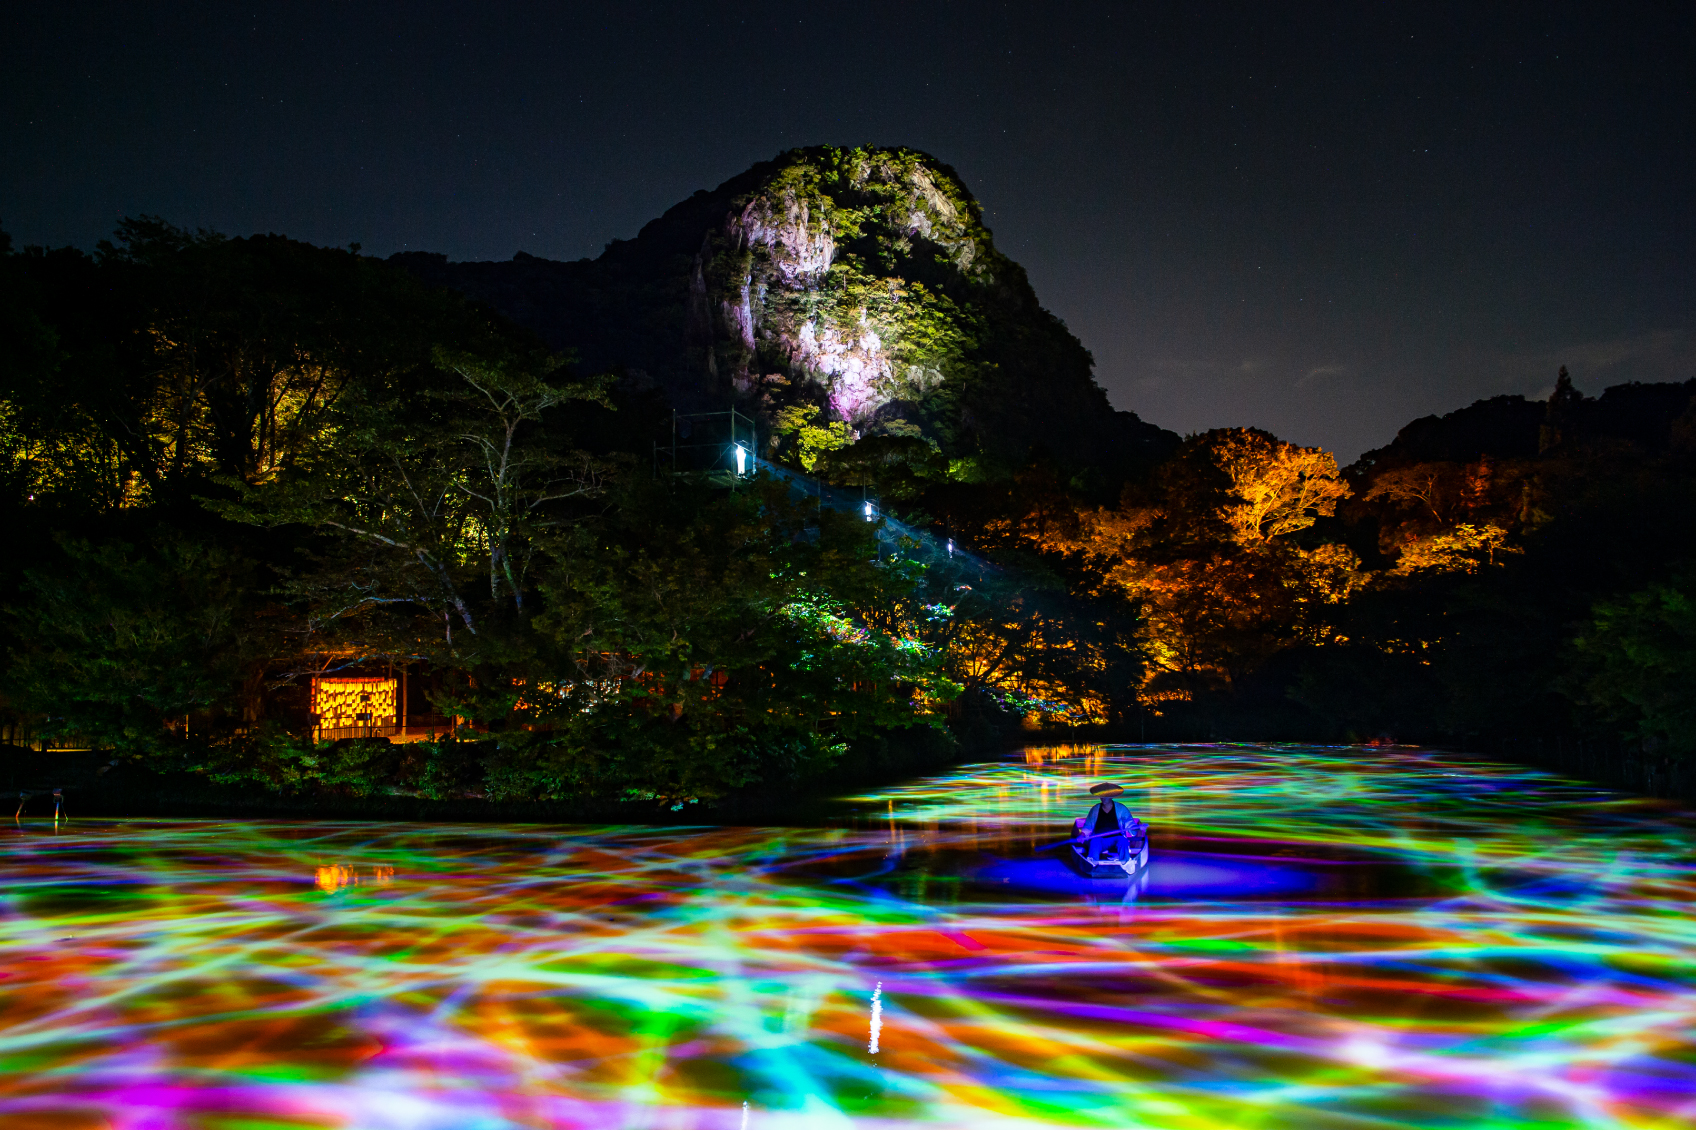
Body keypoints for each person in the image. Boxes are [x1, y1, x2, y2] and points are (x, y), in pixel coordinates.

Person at [1079, 782, 1130, 866]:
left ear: (1111, 796)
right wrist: (1082, 834)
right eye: (1101, 795)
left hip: (1116, 837)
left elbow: (1129, 822)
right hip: (1099, 838)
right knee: (1094, 842)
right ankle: (1092, 863)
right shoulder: (1095, 809)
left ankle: (1126, 863)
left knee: (1123, 841)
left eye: (1105, 795)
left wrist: (1135, 827)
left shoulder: (1121, 808)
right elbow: (1088, 826)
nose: (1102, 798)